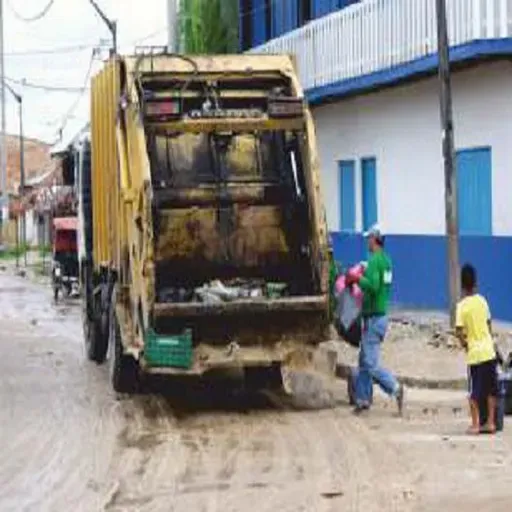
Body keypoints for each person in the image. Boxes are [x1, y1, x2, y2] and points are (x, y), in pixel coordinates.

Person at [347, 224, 404, 415]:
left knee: (370, 365)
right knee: (363, 361)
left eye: (368, 238)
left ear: (375, 239)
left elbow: (373, 286)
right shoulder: (386, 261)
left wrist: (356, 279)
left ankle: (395, 387)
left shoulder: (376, 261)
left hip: (374, 318)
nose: (367, 242)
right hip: (378, 317)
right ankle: (362, 400)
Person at [456, 264, 498, 435]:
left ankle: (475, 425)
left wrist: (465, 344)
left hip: (475, 354)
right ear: (475, 283)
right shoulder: (482, 301)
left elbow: (459, 331)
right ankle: (490, 423)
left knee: (474, 391)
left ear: (462, 285)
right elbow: (489, 326)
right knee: (490, 389)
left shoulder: (462, 306)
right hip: (489, 351)